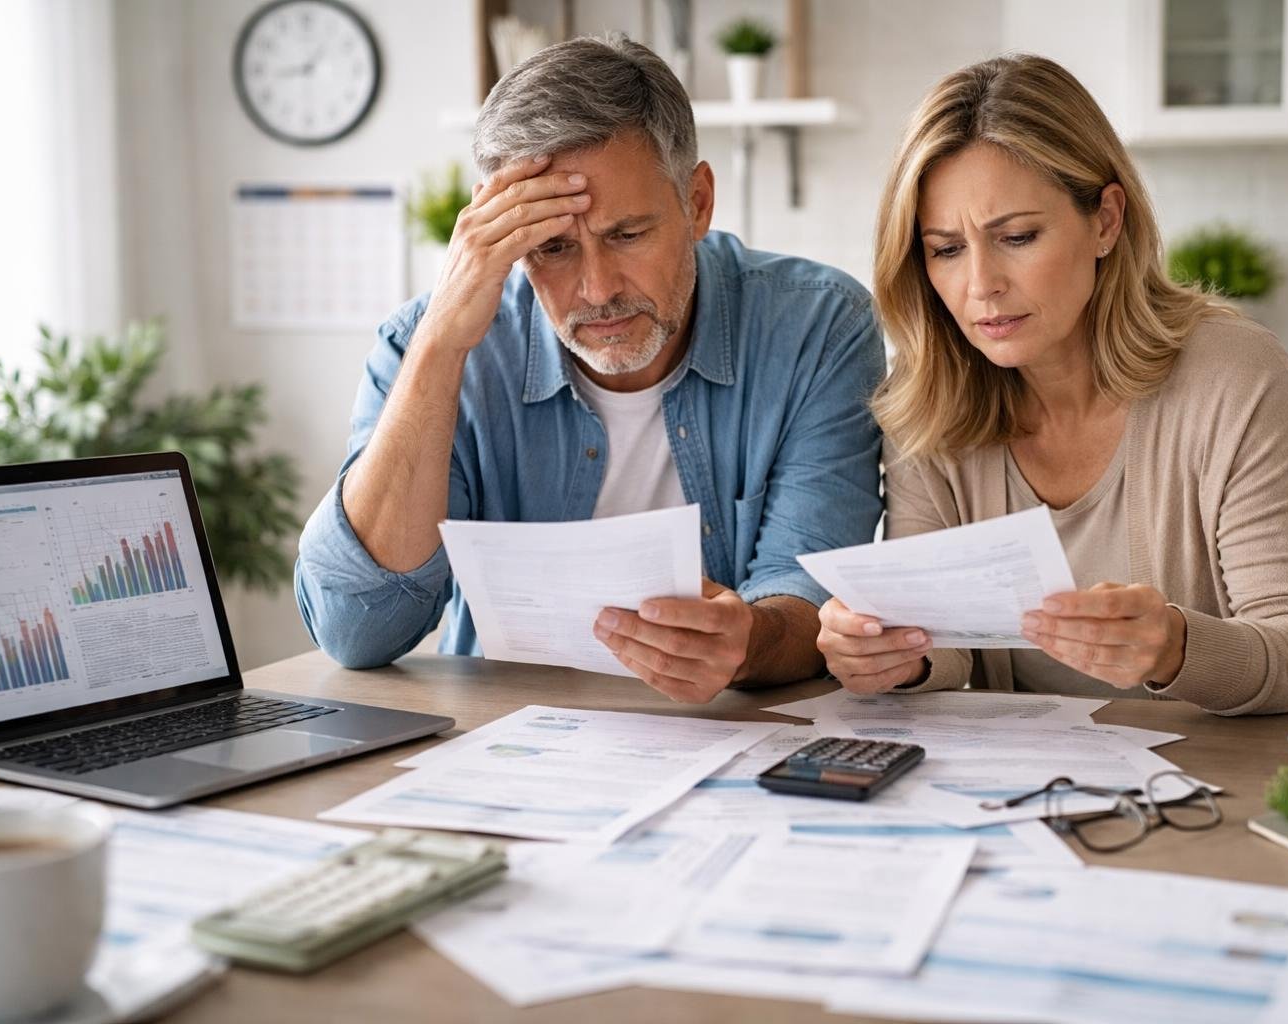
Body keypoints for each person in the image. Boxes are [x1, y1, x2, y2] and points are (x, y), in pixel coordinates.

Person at [295, 36, 884, 703]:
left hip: (727, 743)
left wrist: (744, 641)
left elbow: (813, 598)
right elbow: (355, 629)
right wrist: (440, 349)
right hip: (507, 750)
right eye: (552, 248)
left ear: (697, 202)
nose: (597, 290)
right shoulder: (426, 346)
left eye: (627, 235)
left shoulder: (816, 326)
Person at [816, 54, 1288, 714]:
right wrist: (889, 655)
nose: (980, 284)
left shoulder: (1234, 375)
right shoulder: (931, 395)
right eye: (946, 249)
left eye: (1017, 236)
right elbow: (942, 645)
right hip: (1034, 789)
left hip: (1231, 784)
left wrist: (1176, 647)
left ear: (1106, 220)